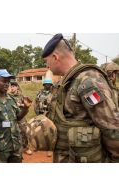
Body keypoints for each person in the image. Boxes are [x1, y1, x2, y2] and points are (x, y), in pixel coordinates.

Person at [42, 33, 119, 163]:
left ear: (55, 57)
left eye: (46, 61)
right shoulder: (67, 82)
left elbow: (111, 127)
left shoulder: (88, 82)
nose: (46, 66)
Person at [0, 69, 32, 163]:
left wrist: (25, 109)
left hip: (16, 145)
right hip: (0, 148)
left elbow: (18, 117)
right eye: (4, 81)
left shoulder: (11, 99)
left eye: (8, 82)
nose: (7, 84)